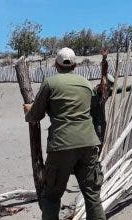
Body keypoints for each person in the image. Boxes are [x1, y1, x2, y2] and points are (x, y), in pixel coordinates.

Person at [23, 47, 106, 220]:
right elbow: (91, 109)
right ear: (75, 65)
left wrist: (28, 110)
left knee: (52, 197)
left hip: (62, 144)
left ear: (56, 65)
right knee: (92, 196)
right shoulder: (85, 83)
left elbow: (35, 116)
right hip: (88, 143)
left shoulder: (50, 83)